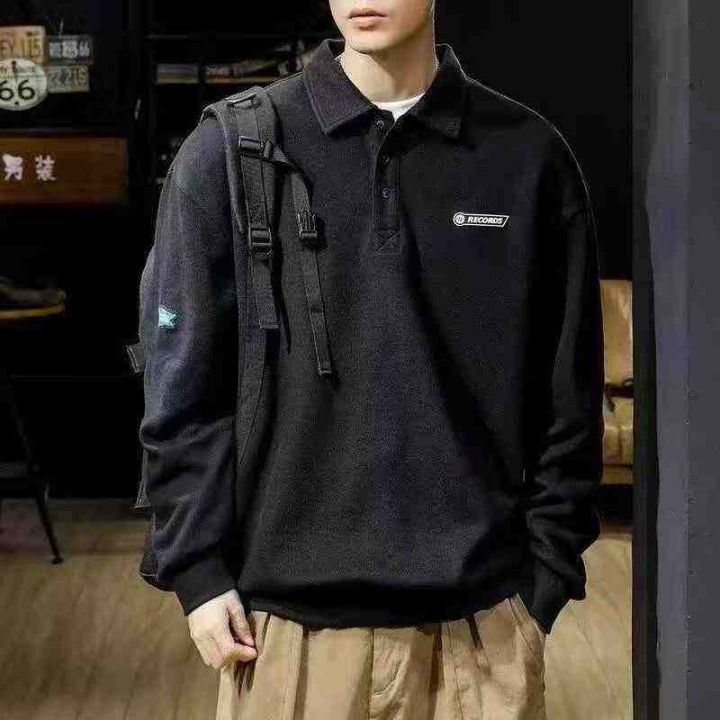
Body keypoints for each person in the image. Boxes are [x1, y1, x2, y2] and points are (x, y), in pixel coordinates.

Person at [137, 1, 605, 718]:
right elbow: (180, 385)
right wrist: (197, 574)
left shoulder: (527, 155)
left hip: (483, 633)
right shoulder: (230, 150)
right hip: (284, 637)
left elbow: (568, 392)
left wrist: (541, 584)